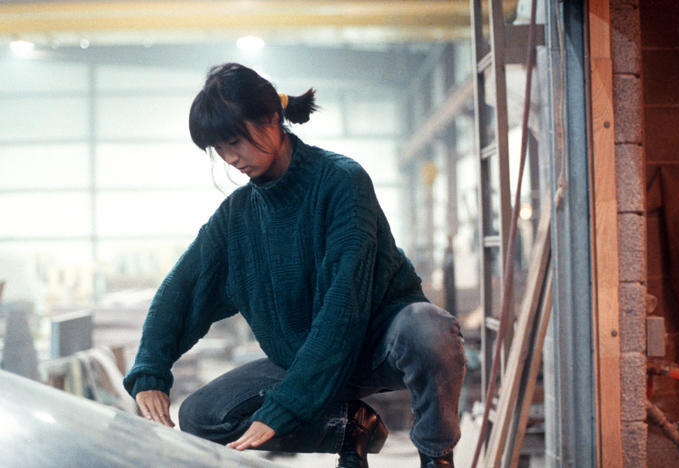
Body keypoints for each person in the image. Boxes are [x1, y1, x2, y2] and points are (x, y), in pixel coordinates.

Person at [123, 63, 466, 468]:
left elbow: (344, 305)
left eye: (235, 141)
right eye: (219, 149)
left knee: (430, 329)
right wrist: (150, 370)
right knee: (201, 416)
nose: (231, 158)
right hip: (302, 358)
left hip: (376, 345)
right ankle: (350, 427)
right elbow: (181, 288)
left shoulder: (341, 182)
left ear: (271, 118)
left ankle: (436, 456)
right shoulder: (236, 218)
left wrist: (286, 407)